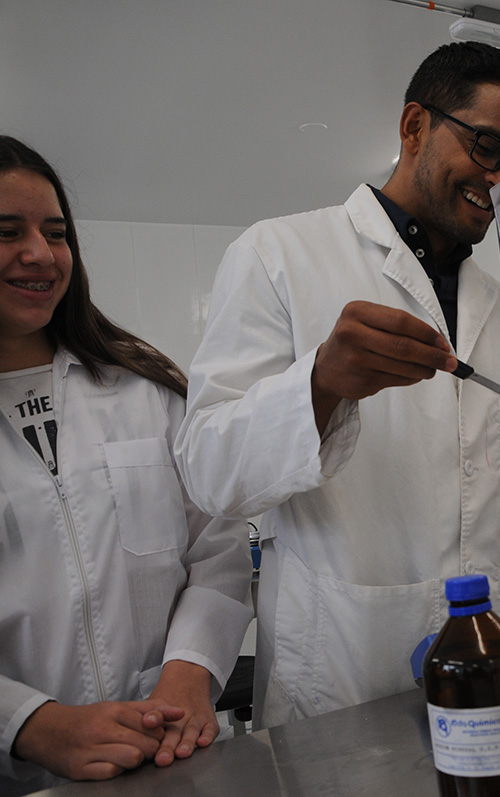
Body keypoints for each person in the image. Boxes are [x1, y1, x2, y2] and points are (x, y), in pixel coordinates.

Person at [175, 43, 500, 728]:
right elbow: (209, 473)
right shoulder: (278, 255)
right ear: (415, 126)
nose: (499, 178)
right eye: (485, 146)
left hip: (496, 669)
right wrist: (320, 385)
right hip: (345, 674)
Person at [0, 136, 253, 792]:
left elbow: (218, 553)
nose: (38, 253)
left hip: (174, 751)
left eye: (55, 232)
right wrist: (31, 723)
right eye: (7, 231)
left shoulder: (145, 389)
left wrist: (187, 674)